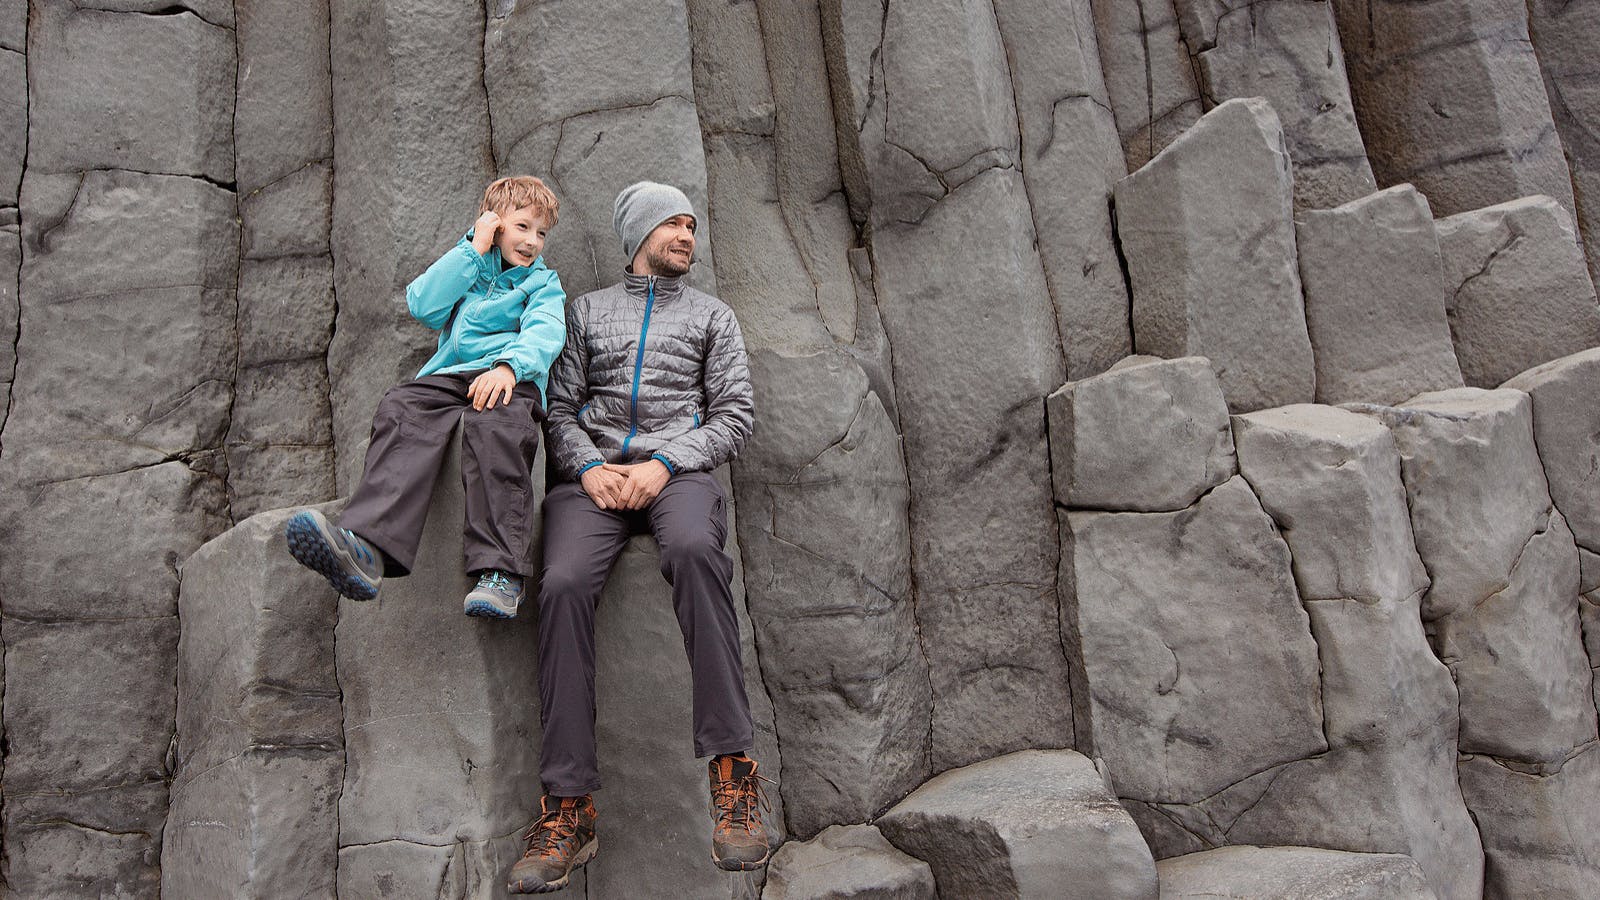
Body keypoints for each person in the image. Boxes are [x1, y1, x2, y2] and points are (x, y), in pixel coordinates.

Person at [505, 182, 769, 894]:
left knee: (693, 551)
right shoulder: (586, 312)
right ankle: (569, 807)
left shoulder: (715, 317)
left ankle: (732, 777)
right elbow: (556, 409)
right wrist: (589, 468)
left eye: (692, 224)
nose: (688, 233)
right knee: (558, 586)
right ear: (641, 231)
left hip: (676, 476)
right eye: (674, 223)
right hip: (590, 484)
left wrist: (664, 463)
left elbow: (736, 416)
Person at [283, 176, 566, 619]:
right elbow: (423, 304)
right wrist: (473, 248)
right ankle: (368, 552)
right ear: (493, 224)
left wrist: (509, 367)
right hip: (451, 376)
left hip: (511, 377)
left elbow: (546, 330)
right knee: (402, 408)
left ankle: (501, 574)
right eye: (522, 227)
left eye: (541, 233)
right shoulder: (470, 265)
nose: (532, 241)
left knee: (496, 427)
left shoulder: (543, 284)